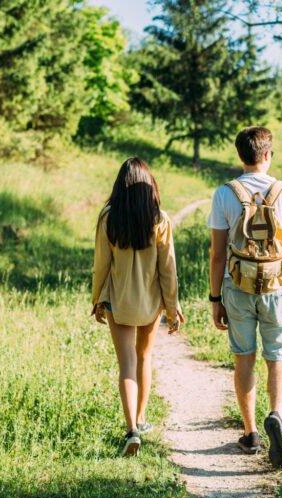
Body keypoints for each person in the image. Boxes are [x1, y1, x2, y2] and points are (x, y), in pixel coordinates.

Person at [207, 126, 282, 468]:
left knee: (243, 358)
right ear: (268, 155)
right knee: (278, 356)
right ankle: (276, 414)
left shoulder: (224, 194)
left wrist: (214, 298)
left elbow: (217, 255)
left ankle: (250, 434)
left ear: (241, 156)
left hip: (238, 285)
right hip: (278, 286)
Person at [91, 157, 184, 457]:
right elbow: (168, 269)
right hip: (151, 302)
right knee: (144, 356)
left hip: (119, 301)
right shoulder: (160, 219)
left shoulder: (109, 218)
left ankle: (131, 428)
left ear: (120, 185)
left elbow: (100, 265)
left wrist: (96, 300)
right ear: (149, 186)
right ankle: (141, 420)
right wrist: (172, 306)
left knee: (126, 364)